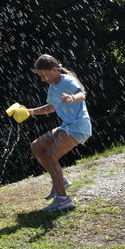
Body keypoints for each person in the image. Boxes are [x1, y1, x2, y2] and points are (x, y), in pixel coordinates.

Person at [25, 54, 92, 212]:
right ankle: (61, 181)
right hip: (67, 126)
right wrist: (29, 111)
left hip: (78, 126)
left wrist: (72, 98)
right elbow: (51, 107)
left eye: (44, 75)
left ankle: (63, 200)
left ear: (55, 70)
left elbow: (82, 95)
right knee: (36, 146)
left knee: (51, 156)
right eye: (40, 76)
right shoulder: (53, 86)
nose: (42, 79)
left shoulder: (68, 80)